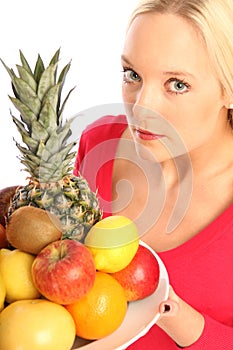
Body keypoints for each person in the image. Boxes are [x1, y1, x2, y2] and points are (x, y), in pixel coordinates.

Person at [74, 0, 233, 348]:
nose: (142, 107)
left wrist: (179, 319)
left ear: (228, 89)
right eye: (133, 75)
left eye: (177, 84)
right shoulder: (97, 144)